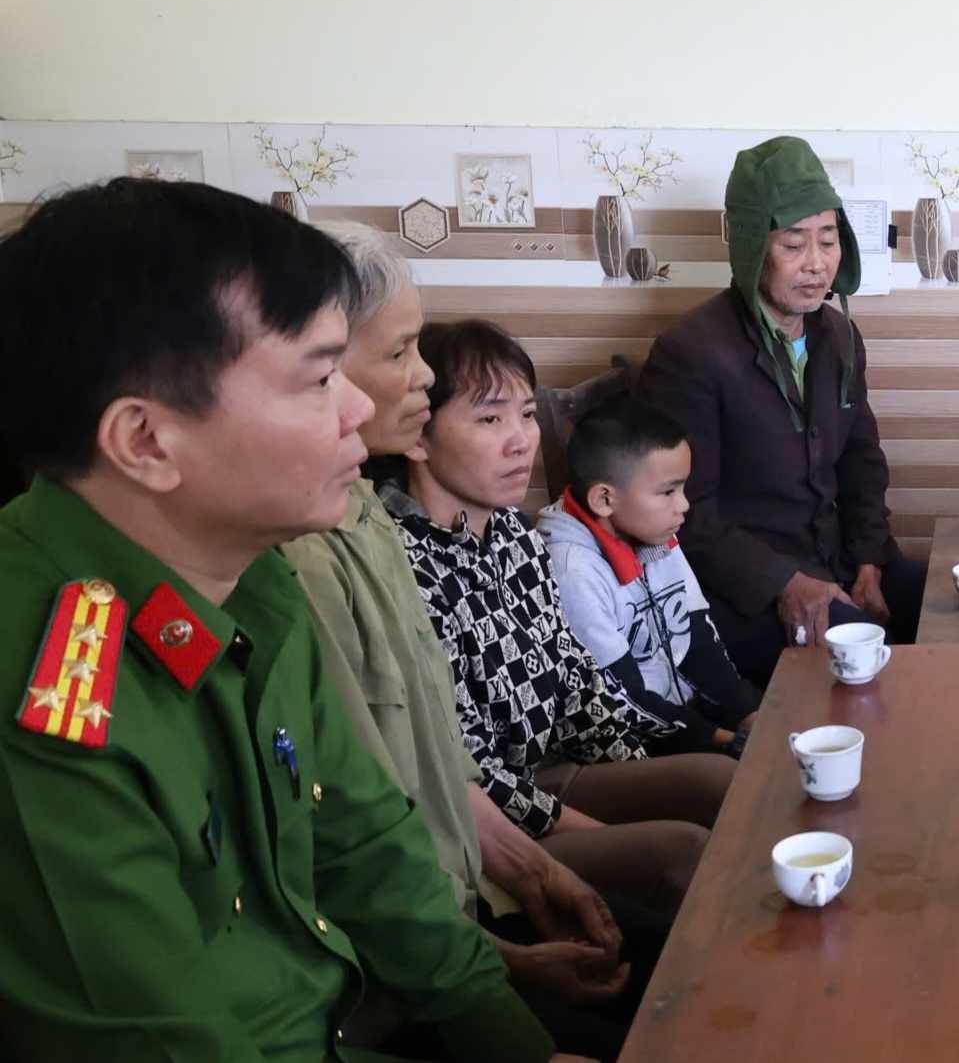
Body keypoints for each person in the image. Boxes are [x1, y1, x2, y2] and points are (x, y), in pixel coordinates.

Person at [0, 179, 558, 1061]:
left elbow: (365, 843)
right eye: (320, 377)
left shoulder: (251, 576)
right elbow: (157, 1039)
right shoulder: (46, 698)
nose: (360, 407)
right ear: (145, 441)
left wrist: (514, 1043)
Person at [282, 222, 645, 1058]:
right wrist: (501, 972)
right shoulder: (300, 557)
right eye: (400, 352)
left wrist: (533, 873)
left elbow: (435, 759)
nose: (419, 377)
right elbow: (362, 839)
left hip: (462, 907)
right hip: (404, 970)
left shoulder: (367, 516)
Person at [380, 317, 734, 909]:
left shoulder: (514, 535)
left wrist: (658, 758)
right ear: (419, 435)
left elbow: (576, 681)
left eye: (525, 414)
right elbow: (467, 769)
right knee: (684, 853)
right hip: (490, 824)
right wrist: (598, 830)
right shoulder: (403, 565)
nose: (522, 440)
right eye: (489, 419)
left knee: (722, 783)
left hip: (553, 771)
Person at [638, 135, 925, 684]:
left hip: (840, 561)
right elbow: (687, 514)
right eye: (793, 244)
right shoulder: (690, 354)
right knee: (879, 663)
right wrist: (783, 583)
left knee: (949, 609)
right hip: (748, 594)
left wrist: (869, 558)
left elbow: (862, 462)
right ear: (752, 248)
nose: (816, 264)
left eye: (828, 241)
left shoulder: (839, 336)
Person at [537, 396, 761, 757]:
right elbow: (622, 699)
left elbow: (697, 636)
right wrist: (724, 740)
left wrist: (748, 714)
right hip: (632, 744)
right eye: (668, 491)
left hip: (683, 718)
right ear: (604, 500)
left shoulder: (654, 533)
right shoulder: (572, 574)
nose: (684, 504)